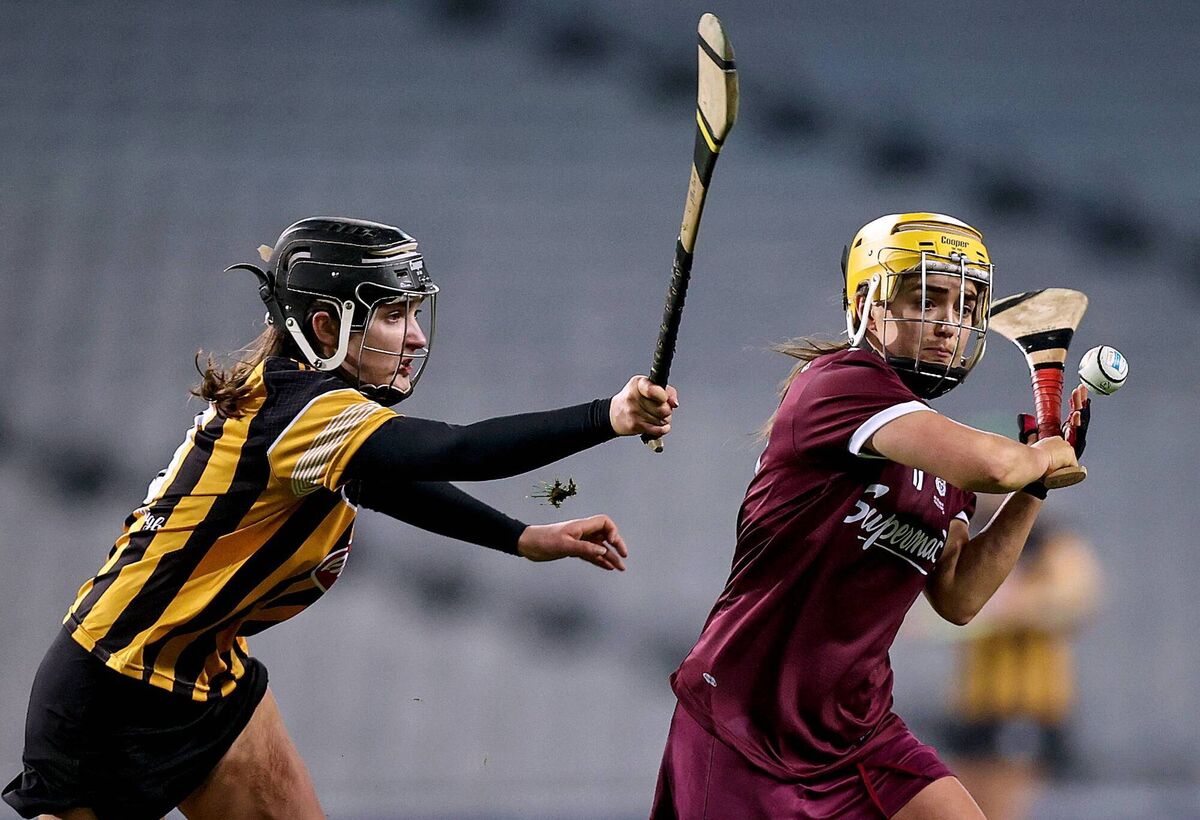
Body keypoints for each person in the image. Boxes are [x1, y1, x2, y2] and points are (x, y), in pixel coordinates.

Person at [4, 216, 678, 820]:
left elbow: (387, 481)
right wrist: (606, 416)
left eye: (414, 312)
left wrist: (522, 536)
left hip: (209, 679)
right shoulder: (301, 411)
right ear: (325, 325)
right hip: (110, 695)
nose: (414, 335)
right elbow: (459, 449)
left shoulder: (313, 406)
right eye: (392, 314)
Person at [650, 212, 1090, 819]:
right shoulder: (838, 385)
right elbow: (992, 465)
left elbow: (959, 597)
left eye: (964, 306)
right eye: (926, 299)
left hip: (857, 732)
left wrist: (1035, 489)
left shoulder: (937, 447)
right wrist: (1037, 454)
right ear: (866, 304)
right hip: (742, 723)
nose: (946, 323)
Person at [942, 503, 1102, 820]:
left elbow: (1078, 599)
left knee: (1008, 795)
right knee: (968, 797)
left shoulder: (1051, 541)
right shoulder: (965, 531)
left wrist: (1015, 602)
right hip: (975, 703)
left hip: (1028, 702)